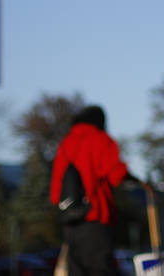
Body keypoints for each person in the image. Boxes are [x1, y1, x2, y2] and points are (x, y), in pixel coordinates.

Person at [50, 106, 142, 276]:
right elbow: (116, 174)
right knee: (101, 267)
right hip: (96, 216)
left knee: (77, 269)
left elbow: (56, 189)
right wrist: (135, 180)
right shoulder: (99, 139)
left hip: (71, 221)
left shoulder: (65, 143)